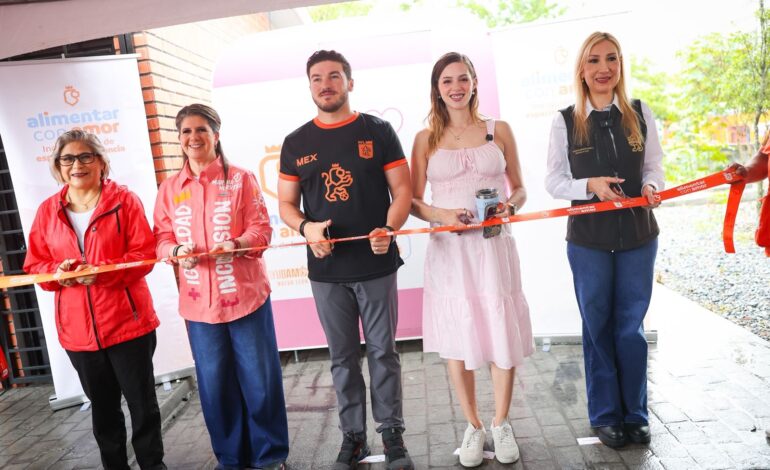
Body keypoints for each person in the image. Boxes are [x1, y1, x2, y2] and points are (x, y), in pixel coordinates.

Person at [277, 50, 413, 470]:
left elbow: (403, 191)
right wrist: (306, 229)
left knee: (383, 353)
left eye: (334, 76)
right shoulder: (296, 142)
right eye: (317, 78)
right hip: (326, 271)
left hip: (375, 265)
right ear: (310, 87)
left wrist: (388, 229)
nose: (325, 84)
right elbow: (286, 204)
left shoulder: (378, 130)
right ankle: (353, 437)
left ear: (349, 83)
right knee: (341, 358)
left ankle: (391, 435)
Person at [409, 52, 533, 467]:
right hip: (450, 251)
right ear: (437, 88)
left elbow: (519, 189)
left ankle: (501, 422)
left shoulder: (499, 130)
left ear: (475, 82)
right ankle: (473, 425)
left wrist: (508, 208)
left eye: (463, 78)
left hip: (493, 247)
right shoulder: (425, 139)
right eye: (447, 81)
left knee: (499, 330)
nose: (456, 87)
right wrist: (443, 216)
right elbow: (412, 201)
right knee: (458, 336)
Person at [545, 32, 665, 448]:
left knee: (629, 328)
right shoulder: (565, 121)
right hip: (588, 241)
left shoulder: (640, 111)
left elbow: (655, 167)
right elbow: (553, 181)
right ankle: (605, 416)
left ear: (620, 65)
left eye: (611, 59)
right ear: (581, 69)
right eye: (594, 60)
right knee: (597, 326)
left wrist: (651, 186)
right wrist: (589, 185)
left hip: (638, 235)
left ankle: (635, 413)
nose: (604, 68)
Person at [153, 104, 288, 470]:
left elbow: (261, 230)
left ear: (216, 134)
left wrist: (237, 244)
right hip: (198, 308)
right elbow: (161, 239)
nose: (193, 138)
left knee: (260, 382)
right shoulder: (170, 188)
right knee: (214, 388)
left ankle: (270, 456)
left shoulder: (241, 178)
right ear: (179, 139)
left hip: (245, 299)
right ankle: (231, 459)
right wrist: (176, 251)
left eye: (201, 130)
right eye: (185, 132)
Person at [24, 130, 166, 470]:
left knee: (142, 405)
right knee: (103, 412)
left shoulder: (124, 201)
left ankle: (153, 465)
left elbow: (144, 254)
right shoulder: (47, 211)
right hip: (79, 334)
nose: (77, 164)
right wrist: (59, 272)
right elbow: (34, 265)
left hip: (128, 325)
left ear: (101, 162)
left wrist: (101, 271)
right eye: (68, 159)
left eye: (86, 156)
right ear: (58, 167)